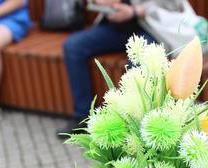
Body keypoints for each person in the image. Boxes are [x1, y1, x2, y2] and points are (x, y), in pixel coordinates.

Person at [57, 0, 158, 136]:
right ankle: (83, 117)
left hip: (150, 29)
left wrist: (134, 12)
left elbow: (171, 5)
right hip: (114, 28)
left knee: (137, 60)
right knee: (72, 47)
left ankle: (137, 123)